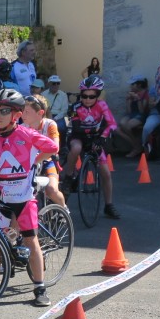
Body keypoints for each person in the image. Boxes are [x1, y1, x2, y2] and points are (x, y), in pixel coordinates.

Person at [0, 89, 58, 307]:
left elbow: (53, 146)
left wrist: (34, 160)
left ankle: (39, 287)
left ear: (17, 114)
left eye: (4, 111)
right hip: (1, 200)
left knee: (31, 241)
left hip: (23, 199)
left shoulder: (26, 134)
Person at [60, 76, 122, 219]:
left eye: (91, 96)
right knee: (75, 149)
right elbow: (76, 126)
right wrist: (93, 131)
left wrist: (101, 137)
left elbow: (112, 124)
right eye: (84, 96)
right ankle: (69, 176)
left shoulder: (102, 106)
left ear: (97, 95)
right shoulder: (76, 107)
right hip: (78, 137)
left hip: (96, 139)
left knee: (106, 173)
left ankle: (108, 205)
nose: (87, 99)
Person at [21, 94, 66, 207]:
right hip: (28, 164)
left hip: (47, 161)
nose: (22, 114)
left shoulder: (50, 124)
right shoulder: (22, 127)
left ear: (40, 113)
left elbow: (55, 147)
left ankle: (64, 210)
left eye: (27, 112)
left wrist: (36, 159)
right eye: (22, 111)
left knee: (51, 190)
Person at [119, 75, 152, 158]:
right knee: (118, 128)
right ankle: (137, 146)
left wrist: (138, 99)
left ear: (139, 85)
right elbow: (129, 111)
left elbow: (142, 111)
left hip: (142, 116)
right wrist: (128, 101)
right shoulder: (133, 93)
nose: (130, 86)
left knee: (128, 126)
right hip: (133, 115)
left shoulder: (145, 94)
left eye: (132, 84)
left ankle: (136, 148)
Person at [41, 75, 70, 140]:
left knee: (62, 127)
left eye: (58, 83)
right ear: (49, 84)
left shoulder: (63, 95)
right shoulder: (43, 94)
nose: (56, 85)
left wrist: (55, 118)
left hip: (59, 116)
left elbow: (64, 111)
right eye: (54, 83)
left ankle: (62, 146)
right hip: (46, 115)